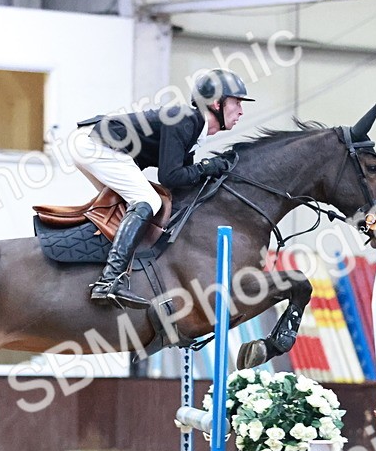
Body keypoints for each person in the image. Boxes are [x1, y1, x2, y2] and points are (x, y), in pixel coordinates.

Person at [73, 69, 253, 308]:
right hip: (95, 145)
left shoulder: (193, 127)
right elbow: (170, 176)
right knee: (148, 201)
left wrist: (210, 171)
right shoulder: (185, 119)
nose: (241, 110)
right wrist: (208, 166)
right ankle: (109, 280)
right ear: (216, 103)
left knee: (129, 206)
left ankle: (106, 268)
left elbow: (182, 184)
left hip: (95, 144)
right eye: (237, 102)